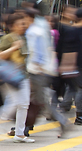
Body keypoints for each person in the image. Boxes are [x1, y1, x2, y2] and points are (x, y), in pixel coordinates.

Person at [24, 8, 70, 138]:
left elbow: (37, 53)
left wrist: (38, 69)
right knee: (37, 101)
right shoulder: (42, 29)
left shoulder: (33, 31)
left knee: (40, 102)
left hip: (38, 71)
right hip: (44, 70)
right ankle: (24, 128)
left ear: (29, 17)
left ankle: (62, 122)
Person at [0, 13, 33, 143]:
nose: (24, 26)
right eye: (21, 24)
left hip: (23, 75)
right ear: (12, 26)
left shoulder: (23, 38)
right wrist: (14, 48)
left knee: (24, 104)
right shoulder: (8, 38)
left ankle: (19, 133)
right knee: (16, 104)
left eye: (24, 24)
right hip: (12, 76)